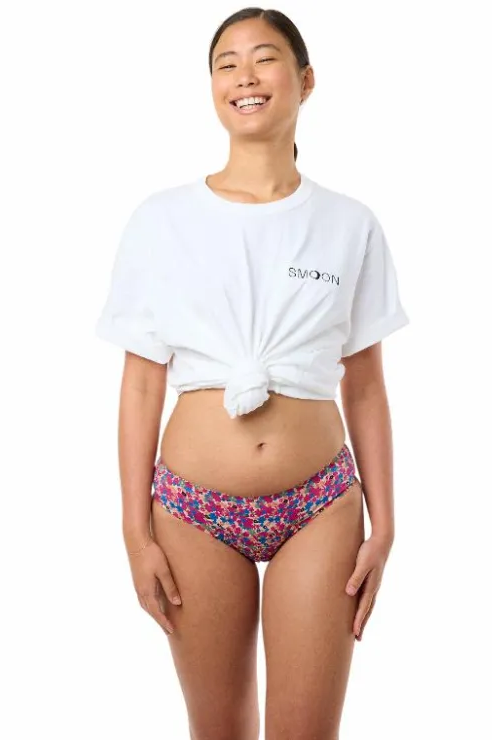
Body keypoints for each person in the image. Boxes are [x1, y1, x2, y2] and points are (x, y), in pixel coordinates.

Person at [95, 7, 410, 739]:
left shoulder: (350, 223)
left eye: (265, 58)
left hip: (320, 506)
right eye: (226, 63)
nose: (244, 76)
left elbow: (365, 384)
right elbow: (140, 384)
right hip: (192, 511)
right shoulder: (161, 219)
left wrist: (386, 523)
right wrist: (134, 532)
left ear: (305, 80)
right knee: (220, 730)